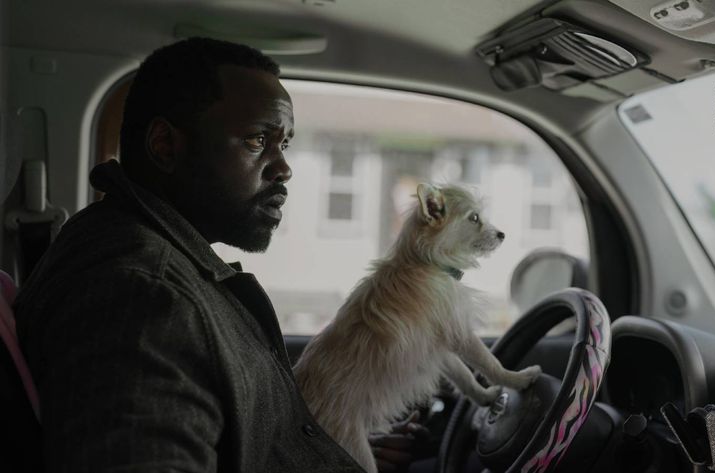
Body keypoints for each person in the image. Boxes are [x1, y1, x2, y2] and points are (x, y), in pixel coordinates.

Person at [15, 37, 425, 472]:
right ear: (165, 145)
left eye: (283, 144)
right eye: (256, 140)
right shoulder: (143, 296)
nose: (283, 168)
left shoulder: (153, 255)